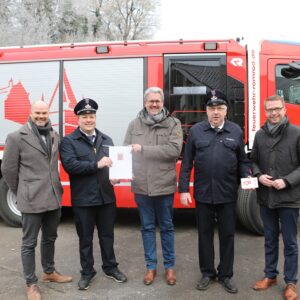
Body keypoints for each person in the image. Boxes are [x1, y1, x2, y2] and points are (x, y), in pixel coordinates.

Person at [178, 90, 251, 294]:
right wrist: (183, 189)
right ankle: (207, 273)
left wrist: (247, 177)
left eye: (220, 108)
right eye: (211, 108)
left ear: (226, 110)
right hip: (203, 194)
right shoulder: (196, 131)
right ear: (206, 111)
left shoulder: (236, 131)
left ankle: (226, 275)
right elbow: (186, 163)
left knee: (228, 235)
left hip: (228, 194)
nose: (215, 112)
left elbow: (243, 161)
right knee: (204, 235)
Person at [1, 100, 72, 300]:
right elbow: (8, 170)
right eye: (37, 113)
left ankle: (49, 272)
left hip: (53, 197)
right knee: (29, 243)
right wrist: (22, 190)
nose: (41, 116)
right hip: (31, 200)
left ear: (48, 113)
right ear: (30, 113)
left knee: (50, 238)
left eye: (44, 112)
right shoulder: (16, 137)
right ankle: (31, 283)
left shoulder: (54, 135)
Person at [59, 98, 127, 291]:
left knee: (107, 236)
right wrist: (97, 165)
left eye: (91, 116)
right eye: (85, 117)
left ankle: (110, 267)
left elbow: (114, 167)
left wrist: (116, 177)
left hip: (106, 198)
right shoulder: (69, 142)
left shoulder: (107, 140)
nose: (89, 120)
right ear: (78, 119)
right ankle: (87, 272)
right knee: (85, 239)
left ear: (95, 117)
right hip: (84, 200)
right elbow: (71, 166)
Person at [123, 86, 182, 286]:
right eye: (151, 101)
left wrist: (144, 149)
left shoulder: (174, 124)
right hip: (141, 185)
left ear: (162, 102)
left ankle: (169, 267)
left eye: (158, 101)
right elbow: (126, 151)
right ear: (145, 103)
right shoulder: (134, 125)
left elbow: (174, 150)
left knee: (167, 227)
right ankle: (151, 267)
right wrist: (122, 171)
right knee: (147, 228)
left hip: (164, 185)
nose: (154, 104)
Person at [251, 95, 300, 300]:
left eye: (277, 109)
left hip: (289, 198)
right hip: (266, 197)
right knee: (269, 239)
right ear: (265, 111)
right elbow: (252, 162)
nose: (274, 113)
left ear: (284, 109)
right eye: (270, 109)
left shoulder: (296, 133)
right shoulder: (260, 135)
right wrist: (259, 175)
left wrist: (287, 181)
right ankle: (270, 275)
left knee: (290, 242)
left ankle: (291, 282)